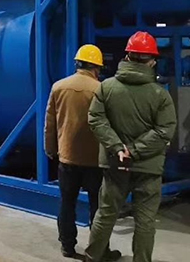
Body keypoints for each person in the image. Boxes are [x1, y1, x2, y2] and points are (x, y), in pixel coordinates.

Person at [85, 32, 177, 262]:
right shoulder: (160, 95)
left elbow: (96, 119)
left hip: (115, 163)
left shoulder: (106, 87)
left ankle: (92, 257)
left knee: (106, 213)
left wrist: (118, 148)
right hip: (148, 167)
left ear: (127, 56)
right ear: (152, 61)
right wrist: (135, 151)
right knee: (145, 221)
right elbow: (164, 130)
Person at [45, 45, 121, 261]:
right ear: (97, 67)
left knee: (67, 203)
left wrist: (50, 149)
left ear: (77, 64)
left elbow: (50, 124)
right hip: (95, 160)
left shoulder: (58, 87)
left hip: (67, 157)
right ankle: (99, 251)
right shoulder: (102, 89)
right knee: (98, 207)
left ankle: (67, 246)